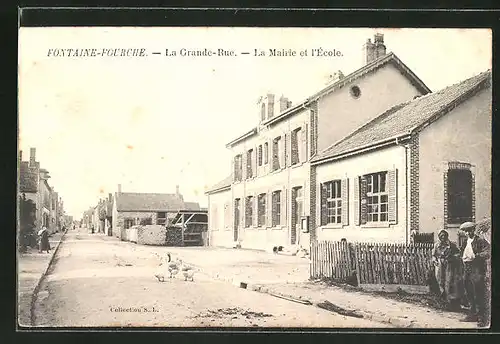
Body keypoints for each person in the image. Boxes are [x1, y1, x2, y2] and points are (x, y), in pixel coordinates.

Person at [459, 221, 490, 327]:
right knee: (469, 291)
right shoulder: (465, 241)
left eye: (469, 231)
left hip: (477, 269)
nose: (467, 233)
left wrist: (476, 256)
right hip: (467, 268)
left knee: (479, 292)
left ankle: (482, 318)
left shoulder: (480, 240)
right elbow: (462, 252)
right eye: (465, 231)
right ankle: (472, 314)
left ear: (473, 230)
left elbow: (488, 252)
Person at [431, 229, 464, 311]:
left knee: (449, 282)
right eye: (441, 236)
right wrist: (434, 260)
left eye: (444, 236)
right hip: (440, 265)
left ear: (447, 236)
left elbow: (458, 253)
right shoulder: (436, 245)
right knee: (440, 281)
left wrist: (454, 257)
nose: (443, 237)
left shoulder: (452, 245)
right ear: (439, 237)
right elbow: (433, 255)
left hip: (449, 265)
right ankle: (442, 300)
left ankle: (450, 303)